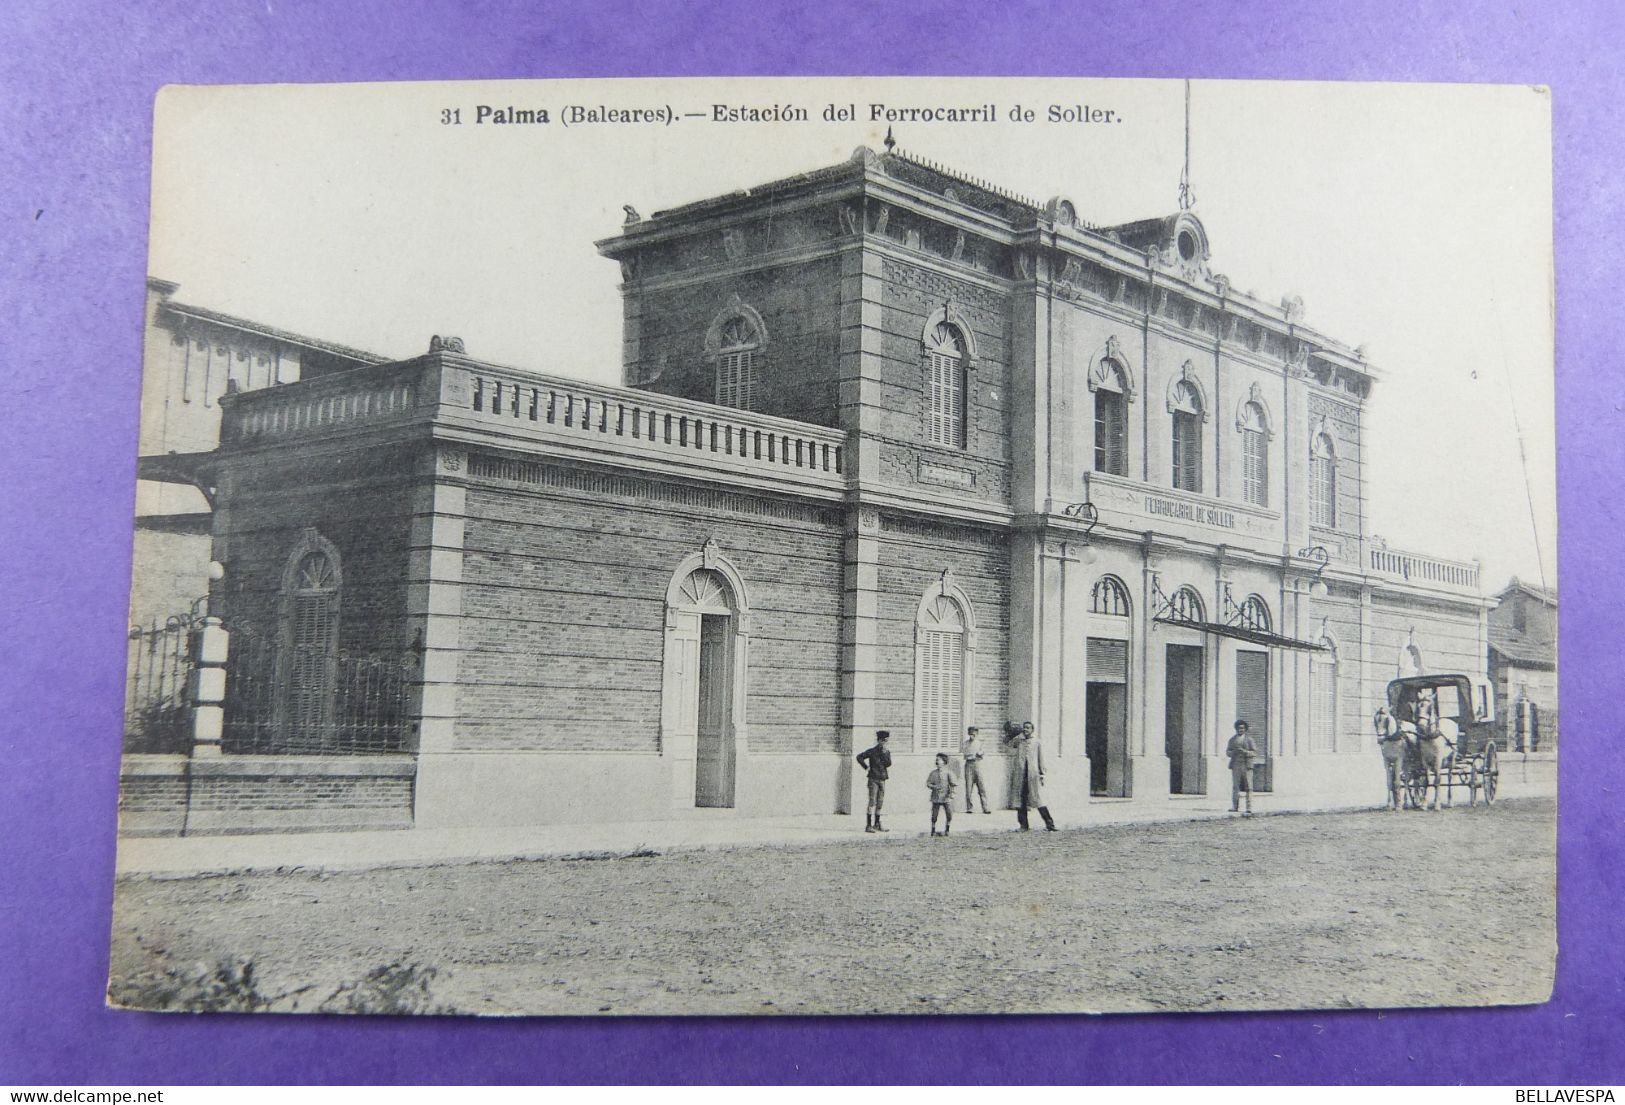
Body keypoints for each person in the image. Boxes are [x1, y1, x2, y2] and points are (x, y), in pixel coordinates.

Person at [1006, 720, 1056, 831]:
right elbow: (1008, 744)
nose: (1025, 729)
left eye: (1028, 728)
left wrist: (1042, 773)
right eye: (1024, 727)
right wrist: (1015, 735)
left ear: (1032, 730)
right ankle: (1023, 825)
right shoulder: (1019, 741)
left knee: (1038, 799)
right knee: (1020, 801)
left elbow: (1040, 758)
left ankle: (1050, 824)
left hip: (1033, 775)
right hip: (1021, 775)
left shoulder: (1036, 742)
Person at [856, 730, 892, 833]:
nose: (885, 743)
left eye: (887, 741)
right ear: (879, 740)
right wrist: (866, 767)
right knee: (872, 801)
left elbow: (888, 764)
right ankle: (868, 825)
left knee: (880, 802)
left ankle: (877, 824)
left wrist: (885, 753)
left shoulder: (887, 752)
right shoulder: (872, 751)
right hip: (873, 779)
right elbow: (859, 757)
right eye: (884, 741)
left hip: (883, 779)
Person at [1225, 719, 1258, 816]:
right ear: (1236, 729)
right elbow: (1227, 752)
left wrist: (1245, 752)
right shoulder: (1232, 740)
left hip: (1247, 765)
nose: (1241, 730)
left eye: (1242, 728)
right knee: (1235, 786)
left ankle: (1249, 807)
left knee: (1249, 786)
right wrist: (1232, 753)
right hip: (1236, 765)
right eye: (1239, 728)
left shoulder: (1249, 740)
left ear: (1245, 729)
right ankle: (1235, 806)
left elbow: (1254, 753)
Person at [960, 726, 991, 814]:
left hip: (977, 764)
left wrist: (979, 754)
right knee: (968, 787)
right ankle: (969, 808)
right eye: (970, 734)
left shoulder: (979, 743)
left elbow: (982, 753)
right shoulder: (965, 744)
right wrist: (973, 755)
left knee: (981, 787)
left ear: (977, 734)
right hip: (969, 765)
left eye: (974, 734)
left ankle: (985, 807)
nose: (972, 736)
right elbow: (965, 756)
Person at [927, 752, 957, 836]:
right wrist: (934, 787)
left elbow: (953, 784)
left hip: (946, 797)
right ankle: (933, 829)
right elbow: (928, 783)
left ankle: (947, 828)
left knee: (949, 814)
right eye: (936, 760)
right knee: (934, 815)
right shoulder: (933, 773)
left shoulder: (948, 773)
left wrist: (952, 794)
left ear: (944, 761)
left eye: (939, 760)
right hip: (936, 797)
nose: (937, 762)